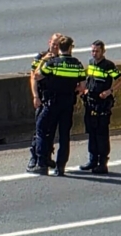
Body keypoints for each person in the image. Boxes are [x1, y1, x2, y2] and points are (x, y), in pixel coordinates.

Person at [35, 35, 87, 176]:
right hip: (68, 103)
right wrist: (71, 90)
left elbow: (38, 76)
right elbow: (82, 86)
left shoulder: (53, 62)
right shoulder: (77, 64)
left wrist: (43, 62)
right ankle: (60, 167)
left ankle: (42, 163)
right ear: (70, 48)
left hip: (52, 103)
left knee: (42, 130)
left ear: (60, 47)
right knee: (64, 136)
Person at [80, 40, 121, 174]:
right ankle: (92, 160)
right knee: (91, 132)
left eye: (97, 51)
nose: (94, 54)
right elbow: (90, 79)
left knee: (102, 134)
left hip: (102, 105)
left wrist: (109, 91)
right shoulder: (91, 62)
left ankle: (102, 163)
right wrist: (86, 90)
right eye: (93, 51)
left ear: (103, 51)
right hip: (91, 103)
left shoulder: (108, 65)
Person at [27, 33, 62, 171]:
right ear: (49, 42)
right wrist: (35, 96)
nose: (55, 46)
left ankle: (47, 156)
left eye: (58, 45)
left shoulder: (61, 59)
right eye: (53, 43)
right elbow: (33, 77)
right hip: (42, 98)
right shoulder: (40, 57)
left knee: (51, 131)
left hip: (55, 100)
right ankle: (34, 157)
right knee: (39, 130)